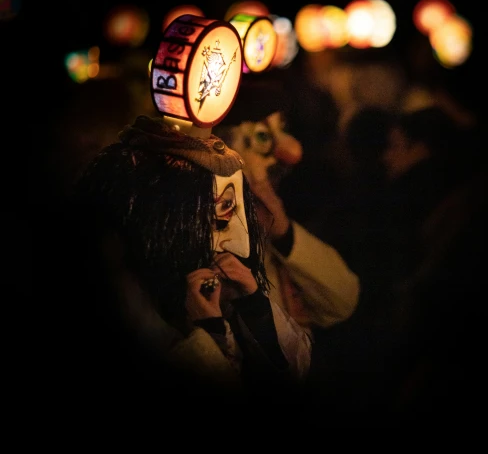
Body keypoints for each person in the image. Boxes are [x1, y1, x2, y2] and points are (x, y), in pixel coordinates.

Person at [67, 113, 312, 412]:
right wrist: (207, 335)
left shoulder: (225, 294)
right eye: (216, 214)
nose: (236, 240)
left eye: (233, 209)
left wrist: (254, 307)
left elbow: (295, 379)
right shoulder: (134, 309)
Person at [211, 74, 360, 345]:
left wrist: (285, 234)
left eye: (282, 129)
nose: (290, 151)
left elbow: (343, 300)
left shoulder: (277, 229)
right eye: (261, 137)